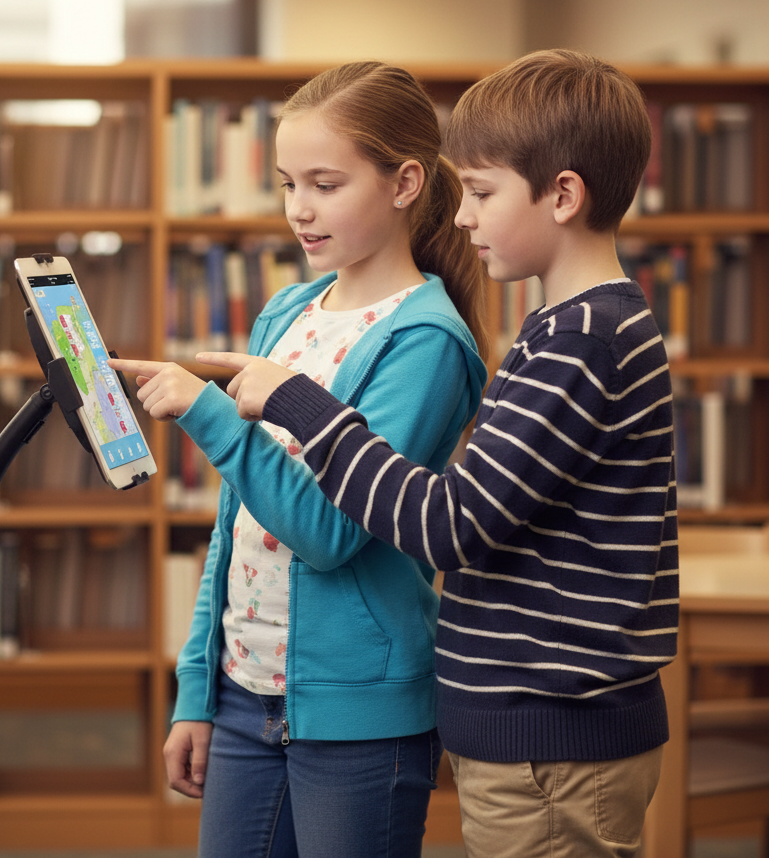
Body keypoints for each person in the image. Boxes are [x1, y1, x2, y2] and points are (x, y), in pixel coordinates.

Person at [199, 49, 679, 858]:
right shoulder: (563, 331)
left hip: (553, 733)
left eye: (483, 193)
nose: (462, 216)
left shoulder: (582, 340)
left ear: (563, 195)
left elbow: (448, 524)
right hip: (529, 729)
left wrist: (294, 402)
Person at [110, 60, 488, 858]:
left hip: (357, 716)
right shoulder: (288, 310)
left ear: (404, 182)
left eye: (325, 183)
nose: (299, 210)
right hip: (244, 699)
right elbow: (233, 526)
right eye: (287, 184)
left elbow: (328, 532)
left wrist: (207, 413)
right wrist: (197, 689)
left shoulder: (423, 342)